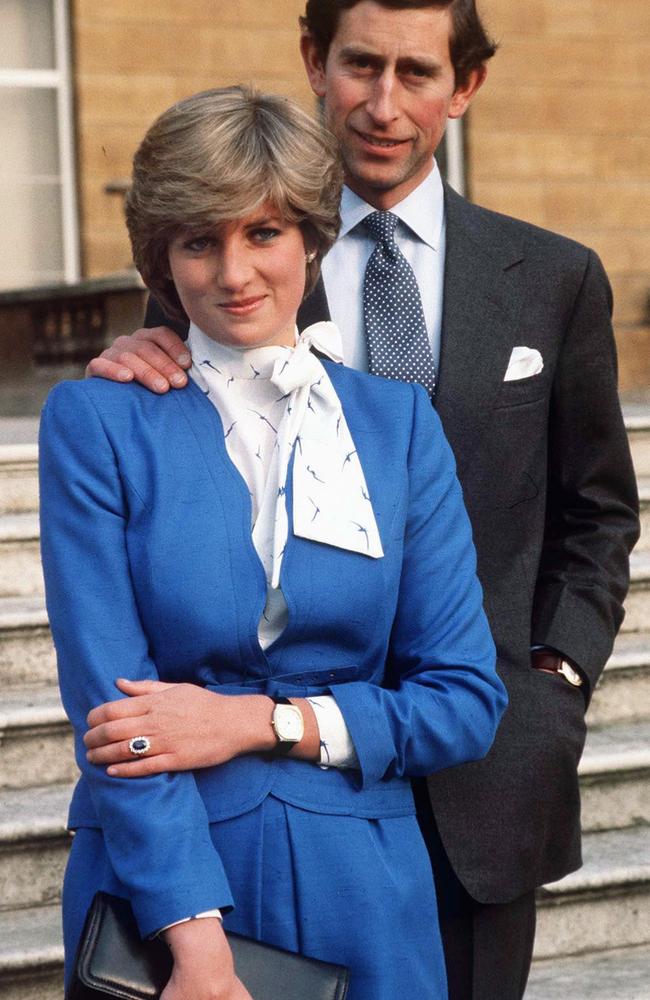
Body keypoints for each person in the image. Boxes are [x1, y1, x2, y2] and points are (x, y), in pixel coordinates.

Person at [85, 2, 641, 997]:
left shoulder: (553, 278)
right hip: (245, 805)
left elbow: (596, 507)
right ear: (314, 60)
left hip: (481, 752)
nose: (383, 103)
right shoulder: (236, 247)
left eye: (416, 73)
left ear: (462, 88)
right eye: (359, 65)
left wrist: (553, 679)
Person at [39, 85, 507, 1000]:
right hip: (164, 897)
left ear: (311, 238)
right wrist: (199, 949)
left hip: (365, 890)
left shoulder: (398, 425)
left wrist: (258, 722)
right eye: (199, 240)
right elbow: (116, 715)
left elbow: (461, 699)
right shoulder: (98, 421)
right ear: (161, 257)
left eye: (262, 233)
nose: (234, 272)